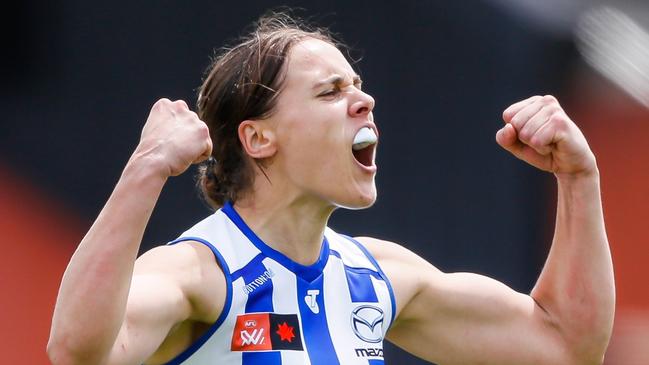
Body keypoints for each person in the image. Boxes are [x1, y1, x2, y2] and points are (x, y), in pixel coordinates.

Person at [47, 12, 615, 365]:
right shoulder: (199, 273)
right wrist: (144, 169)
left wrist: (579, 178)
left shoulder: (380, 275)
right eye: (330, 92)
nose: (364, 101)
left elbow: (565, 346)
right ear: (259, 137)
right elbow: (78, 352)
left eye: (360, 86)